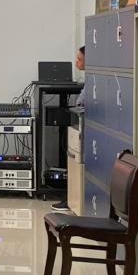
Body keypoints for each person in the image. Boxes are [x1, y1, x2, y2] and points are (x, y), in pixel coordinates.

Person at [54, 45, 86, 211]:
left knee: (77, 161)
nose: (76, 62)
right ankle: (72, 199)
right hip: (80, 123)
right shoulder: (90, 80)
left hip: (85, 126)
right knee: (73, 158)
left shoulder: (94, 80)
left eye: (79, 59)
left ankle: (74, 200)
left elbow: (81, 102)